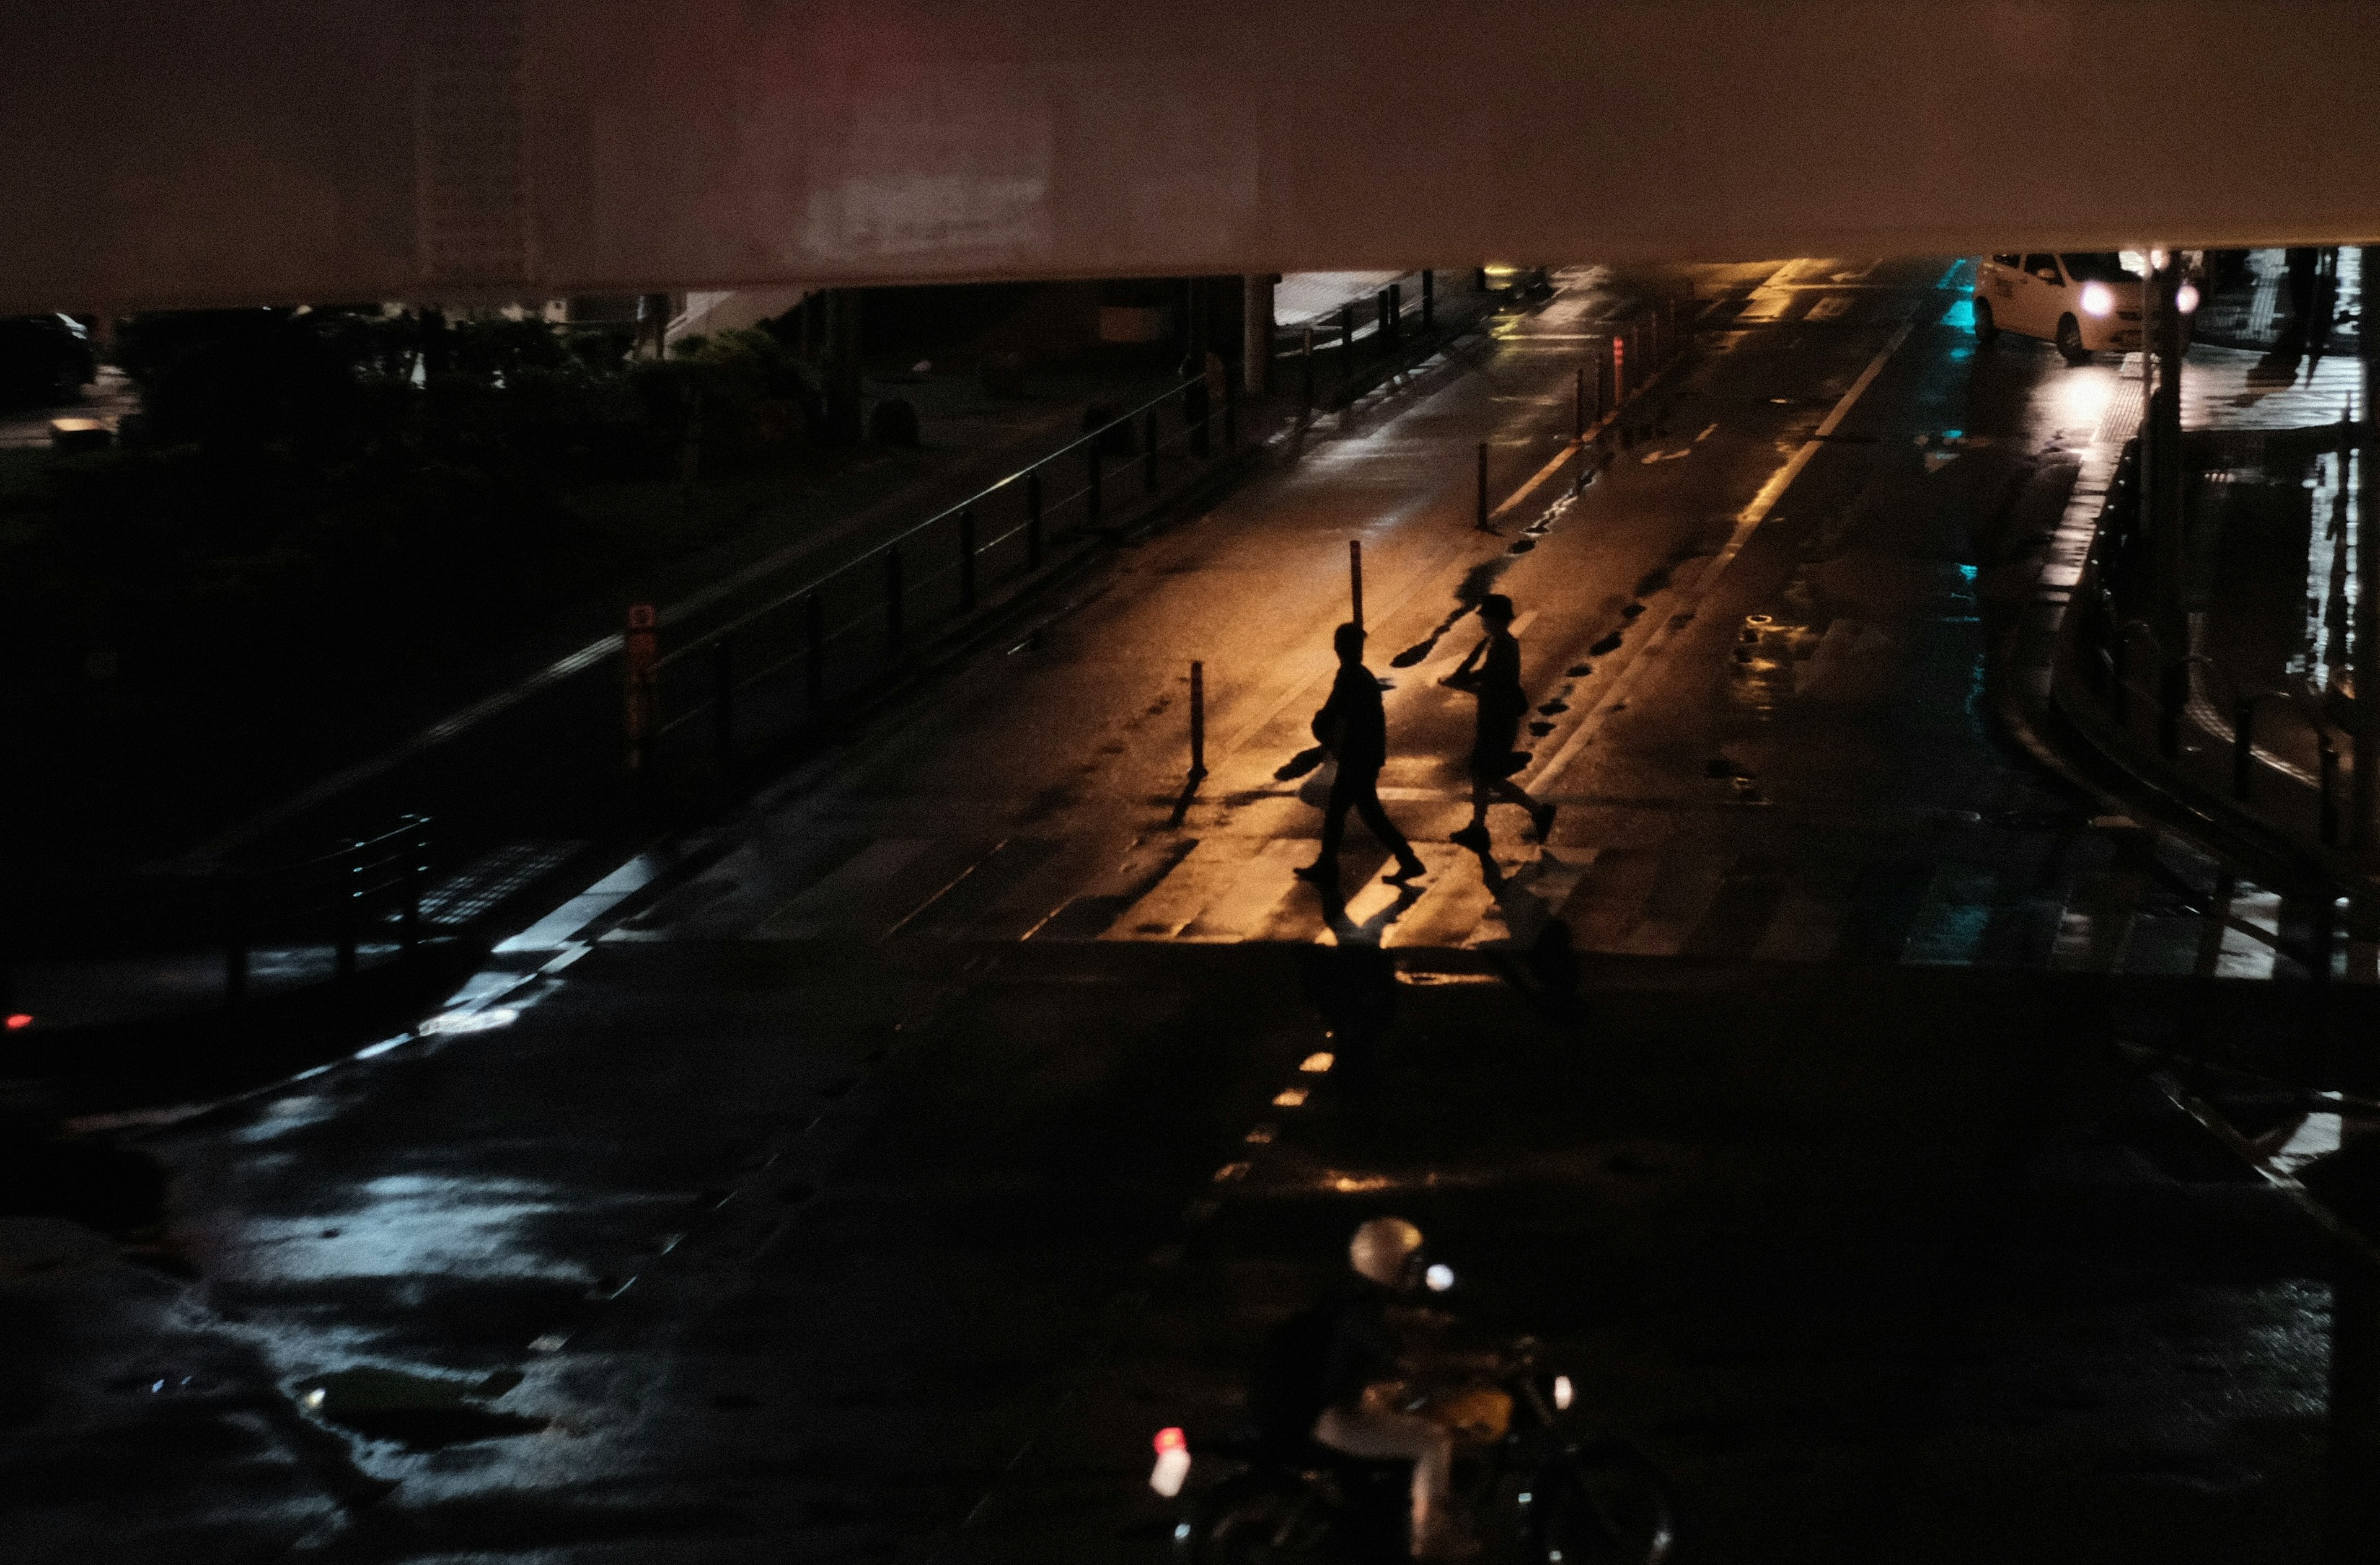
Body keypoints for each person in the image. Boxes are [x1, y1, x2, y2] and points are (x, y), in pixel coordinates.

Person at [1301, 1217, 1479, 1560]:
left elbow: (1400, 1324)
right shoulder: (1363, 1314)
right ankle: (1430, 1545)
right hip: (1334, 1419)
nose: (1416, 1270)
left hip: (1338, 1405)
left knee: (1410, 1400)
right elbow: (1410, 1362)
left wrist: (1435, 1323)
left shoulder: (1357, 1300)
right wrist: (1476, 1365)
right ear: (1388, 1265)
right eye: (1409, 1263)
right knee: (1434, 1440)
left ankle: (1400, 1497)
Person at [1297, 622, 1429, 887]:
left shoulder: (1348, 676)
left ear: (1339, 648)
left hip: (1357, 756)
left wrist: (1321, 728)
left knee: (1344, 812)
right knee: (1367, 812)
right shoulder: (1362, 675)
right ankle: (1408, 861)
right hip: (1366, 754)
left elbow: (1334, 711)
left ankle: (1329, 865)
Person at [1443, 595, 1554, 849]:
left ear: (1496, 619)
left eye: (1486, 617)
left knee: (1488, 776)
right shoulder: (1500, 643)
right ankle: (1479, 828)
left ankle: (1538, 811)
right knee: (1481, 775)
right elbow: (1488, 679)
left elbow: (1491, 682)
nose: (1483, 621)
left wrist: (1462, 682)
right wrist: (1465, 680)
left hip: (1498, 721)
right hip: (1495, 718)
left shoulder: (1504, 645)